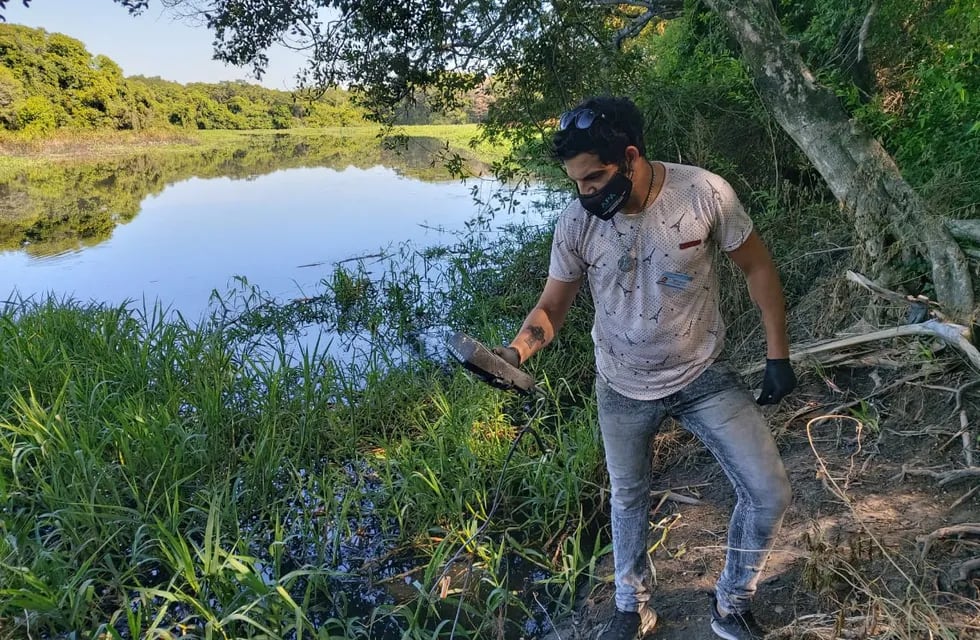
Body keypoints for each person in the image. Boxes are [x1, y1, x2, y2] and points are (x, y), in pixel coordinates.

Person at [494, 96, 796, 640]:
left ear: (630, 156)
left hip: (702, 374)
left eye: (594, 179)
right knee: (627, 497)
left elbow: (757, 268)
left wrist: (779, 355)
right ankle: (632, 607)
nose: (585, 193)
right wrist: (515, 353)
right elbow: (552, 306)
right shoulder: (576, 222)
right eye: (576, 183)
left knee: (769, 491)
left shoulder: (703, 194)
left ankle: (732, 604)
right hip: (621, 383)